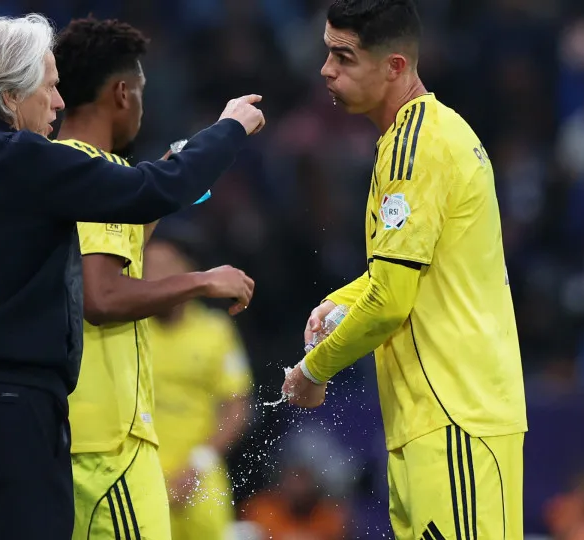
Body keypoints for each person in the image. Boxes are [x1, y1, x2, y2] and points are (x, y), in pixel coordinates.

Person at [0, 13, 265, 540]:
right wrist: (229, 130)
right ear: (9, 96)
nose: (59, 103)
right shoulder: (23, 159)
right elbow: (152, 191)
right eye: (48, 87)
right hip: (14, 417)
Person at [282, 1, 527, 539]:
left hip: (453, 414)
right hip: (433, 418)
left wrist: (313, 371)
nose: (326, 70)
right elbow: (412, 271)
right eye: (327, 53)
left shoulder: (416, 147)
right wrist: (343, 299)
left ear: (395, 66)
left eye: (344, 57)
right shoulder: (422, 136)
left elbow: (391, 301)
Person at [52, 18, 256, 540]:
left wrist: (175, 176)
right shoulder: (96, 173)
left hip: (68, 432)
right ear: (122, 94)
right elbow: (101, 294)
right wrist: (201, 281)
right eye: (140, 91)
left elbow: (105, 249)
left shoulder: (54, 169)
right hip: (106, 444)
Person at [143, 231, 254, 540]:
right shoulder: (127, 331)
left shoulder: (215, 331)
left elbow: (237, 407)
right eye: (147, 265)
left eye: (165, 265)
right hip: (141, 474)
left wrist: (197, 464)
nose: (154, 275)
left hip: (199, 478)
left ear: (188, 271)